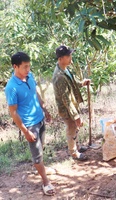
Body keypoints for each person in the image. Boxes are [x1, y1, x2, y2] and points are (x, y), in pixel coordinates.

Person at [4, 52, 55, 196]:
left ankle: (41, 168)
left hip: (40, 118)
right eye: (25, 67)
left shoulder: (30, 77)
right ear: (15, 66)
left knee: (41, 147)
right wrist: (25, 131)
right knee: (37, 155)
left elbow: (35, 93)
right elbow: (13, 112)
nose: (28, 69)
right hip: (30, 125)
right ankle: (45, 182)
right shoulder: (11, 87)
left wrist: (45, 109)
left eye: (29, 66)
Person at [52, 45, 90, 161]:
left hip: (71, 105)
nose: (70, 57)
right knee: (71, 128)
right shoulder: (59, 77)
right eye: (68, 56)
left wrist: (82, 83)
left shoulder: (64, 69)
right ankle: (74, 153)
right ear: (60, 59)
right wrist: (76, 116)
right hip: (67, 109)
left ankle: (76, 147)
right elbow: (66, 100)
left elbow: (71, 83)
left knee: (75, 128)